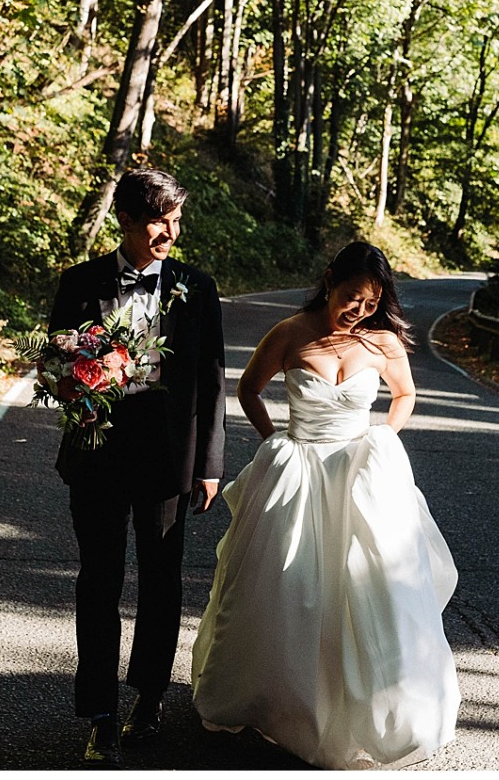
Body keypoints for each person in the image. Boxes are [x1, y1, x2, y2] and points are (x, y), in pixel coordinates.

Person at [190, 242, 460, 769]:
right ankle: (276, 699)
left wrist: (384, 436)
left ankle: (368, 704)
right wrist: (278, 441)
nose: (358, 309)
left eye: (370, 301)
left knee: (368, 585)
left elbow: (404, 395)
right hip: (300, 469)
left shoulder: (382, 341)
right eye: (351, 296)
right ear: (330, 279)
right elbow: (248, 390)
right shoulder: (290, 332)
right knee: (288, 586)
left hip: (360, 468)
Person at [48, 167, 226, 766]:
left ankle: (148, 699)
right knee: (98, 583)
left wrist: (209, 464)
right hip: (97, 456)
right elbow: (56, 365)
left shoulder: (197, 289)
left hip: (169, 459)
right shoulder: (79, 284)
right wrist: (80, 388)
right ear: (125, 220)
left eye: (176, 221)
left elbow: (210, 381)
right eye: (158, 221)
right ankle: (99, 714)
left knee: (162, 583)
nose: (169, 232)